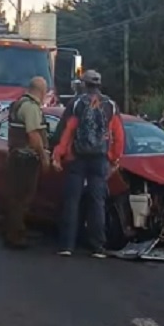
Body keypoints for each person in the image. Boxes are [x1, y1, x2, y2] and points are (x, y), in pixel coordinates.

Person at [52, 70, 125, 258]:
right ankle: (97, 247)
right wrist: (114, 158)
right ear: (99, 85)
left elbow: (66, 131)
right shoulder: (110, 105)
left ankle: (67, 245)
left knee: (72, 201)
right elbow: (118, 135)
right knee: (97, 202)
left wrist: (58, 155)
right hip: (100, 158)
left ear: (83, 84)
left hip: (77, 158)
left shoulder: (76, 104)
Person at [4, 76, 50, 249]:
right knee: (22, 198)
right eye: (45, 91)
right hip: (25, 158)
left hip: (16, 156)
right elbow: (33, 135)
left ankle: (11, 232)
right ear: (41, 91)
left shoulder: (18, 104)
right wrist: (44, 156)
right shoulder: (30, 108)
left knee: (15, 197)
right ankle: (16, 236)